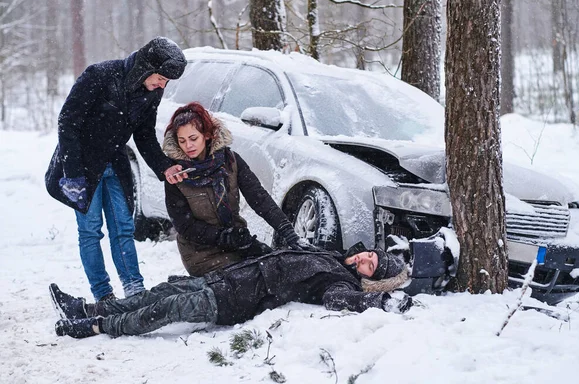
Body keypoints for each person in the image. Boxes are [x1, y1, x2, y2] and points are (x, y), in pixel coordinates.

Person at [45, 37, 189, 302]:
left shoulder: (151, 92)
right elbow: (68, 122)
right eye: (160, 78)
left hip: (115, 164)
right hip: (83, 167)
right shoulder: (100, 75)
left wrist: (164, 167)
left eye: (166, 82)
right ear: (145, 67)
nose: (162, 85)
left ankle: (134, 288)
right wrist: (73, 174)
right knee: (90, 231)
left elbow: (144, 135)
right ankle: (103, 294)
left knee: (123, 227)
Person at [50, 246, 413, 338]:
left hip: (234, 300)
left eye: (370, 265)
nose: (363, 259)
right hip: (231, 277)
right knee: (161, 291)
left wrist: (379, 300)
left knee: (167, 308)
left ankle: (97, 326)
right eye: (369, 255)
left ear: (370, 280)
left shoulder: (342, 285)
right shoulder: (333, 256)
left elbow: (339, 301)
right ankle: (88, 307)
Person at [161, 101, 311, 277]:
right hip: (202, 255)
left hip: (239, 243)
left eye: (193, 138)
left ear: (207, 135)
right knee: (254, 281)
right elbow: (185, 226)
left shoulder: (230, 160)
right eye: (182, 141)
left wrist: (288, 232)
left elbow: (259, 198)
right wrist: (223, 237)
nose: (188, 146)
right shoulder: (176, 175)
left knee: (281, 269)